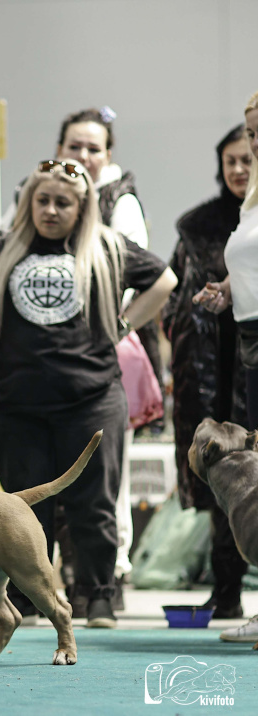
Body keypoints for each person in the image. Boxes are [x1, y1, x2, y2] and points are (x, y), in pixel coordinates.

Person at [0, 160, 176, 629]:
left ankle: (97, 596)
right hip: (18, 401)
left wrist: (122, 326)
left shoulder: (107, 248)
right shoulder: (5, 249)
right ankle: (26, 596)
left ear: (81, 208)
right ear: (29, 203)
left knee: (93, 504)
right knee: (24, 506)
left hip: (92, 396)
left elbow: (165, 280)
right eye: (42, 200)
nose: (51, 210)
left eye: (63, 202)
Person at [163, 125, 251, 620]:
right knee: (223, 474)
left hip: (250, 359)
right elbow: (178, 299)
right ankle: (227, 589)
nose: (238, 169)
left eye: (246, 159)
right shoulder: (195, 226)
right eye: (229, 161)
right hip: (208, 366)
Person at [192, 90, 258, 647]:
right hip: (252, 342)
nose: (253, 146)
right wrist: (231, 292)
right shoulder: (254, 198)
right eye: (251, 133)